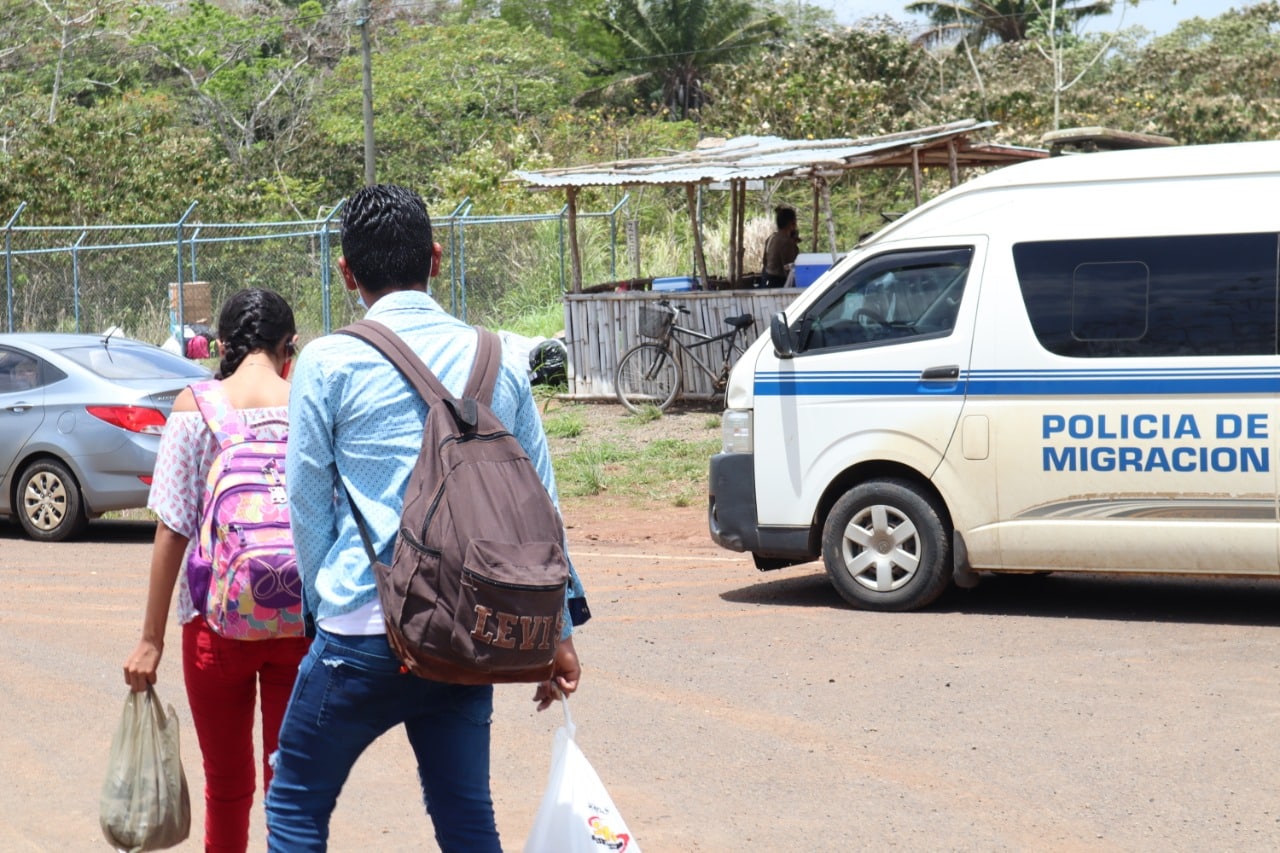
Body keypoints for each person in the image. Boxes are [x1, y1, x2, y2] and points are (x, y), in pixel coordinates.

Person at [265, 184, 587, 852]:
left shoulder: (327, 361)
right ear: (436, 258)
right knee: (467, 817)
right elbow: (542, 513)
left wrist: (330, 609)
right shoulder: (498, 359)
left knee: (296, 800)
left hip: (360, 630)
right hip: (465, 630)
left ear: (347, 274)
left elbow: (305, 503)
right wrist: (556, 630)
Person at [123, 288, 307, 853]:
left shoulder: (194, 406)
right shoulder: (308, 399)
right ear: (288, 349)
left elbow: (173, 527)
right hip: (301, 622)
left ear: (222, 347)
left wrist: (150, 640)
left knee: (227, 788)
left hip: (213, 625)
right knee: (291, 786)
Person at [760, 206, 801, 288]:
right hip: (777, 284)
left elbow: (764, 261)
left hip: (766, 281)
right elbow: (790, 269)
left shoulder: (771, 237)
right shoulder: (786, 242)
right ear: (792, 223)